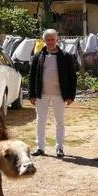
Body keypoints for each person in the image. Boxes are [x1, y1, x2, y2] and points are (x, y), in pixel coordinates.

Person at [28, 29, 77, 158]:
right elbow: (32, 76)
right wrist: (31, 94)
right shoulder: (38, 56)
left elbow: (73, 77)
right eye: (48, 39)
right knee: (40, 121)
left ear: (57, 40)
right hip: (41, 94)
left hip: (59, 95)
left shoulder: (66, 56)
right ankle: (40, 147)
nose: (50, 42)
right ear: (44, 41)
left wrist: (71, 96)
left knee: (59, 121)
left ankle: (59, 148)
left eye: (52, 39)